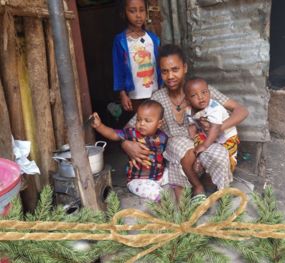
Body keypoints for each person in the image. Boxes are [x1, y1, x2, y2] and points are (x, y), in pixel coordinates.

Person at [122, 44, 248, 202]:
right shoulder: (157, 98)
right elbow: (129, 127)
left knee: (219, 154)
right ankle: (195, 188)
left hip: (203, 145)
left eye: (175, 69)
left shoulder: (201, 91)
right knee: (180, 145)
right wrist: (126, 144)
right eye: (165, 71)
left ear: (185, 68)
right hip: (179, 153)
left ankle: (218, 192)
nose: (170, 76)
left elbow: (241, 111)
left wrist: (217, 128)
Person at [91, 100, 168, 201]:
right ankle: (162, 203)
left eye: (147, 121)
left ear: (159, 124)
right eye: (138, 120)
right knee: (157, 194)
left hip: (159, 176)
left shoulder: (163, 137)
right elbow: (113, 134)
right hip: (139, 180)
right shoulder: (131, 133)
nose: (142, 124)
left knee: (175, 175)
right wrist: (99, 126)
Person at [184, 77, 240, 178]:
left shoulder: (214, 108)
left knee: (225, 158)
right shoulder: (189, 109)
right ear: (187, 99)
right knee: (198, 142)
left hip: (226, 138)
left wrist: (204, 146)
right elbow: (192, 126)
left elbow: (215, 128)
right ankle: (201, 162)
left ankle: (228, 170)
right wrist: (193, 141)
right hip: (208, 136)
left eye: (204, 92)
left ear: (210, 93)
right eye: (194, 95)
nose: (200, 97)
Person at [112, 0, 162, 115]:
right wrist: (123, 93)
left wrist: (162, 86)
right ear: (124, 13)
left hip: (155, 90)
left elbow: (159, 64)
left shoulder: (153, 39)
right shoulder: (120, 40)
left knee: (156, 119)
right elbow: (118, 69)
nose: (138, 15)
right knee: (140, 121)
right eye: (132, 11)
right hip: (135, 93)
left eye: (142, 10)